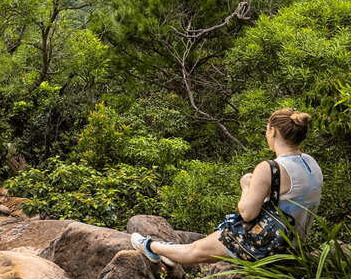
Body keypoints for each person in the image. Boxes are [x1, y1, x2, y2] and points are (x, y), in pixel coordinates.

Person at [132, 108, 323, 266]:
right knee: (207, 242)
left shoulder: (270, 168)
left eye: (266, 130)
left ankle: (151, 247)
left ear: (273, 131)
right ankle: (170, 251)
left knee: (195, 251)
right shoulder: (311, 163)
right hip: (294, 245)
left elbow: (247, 213)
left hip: (266, 246)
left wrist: (246, 186)